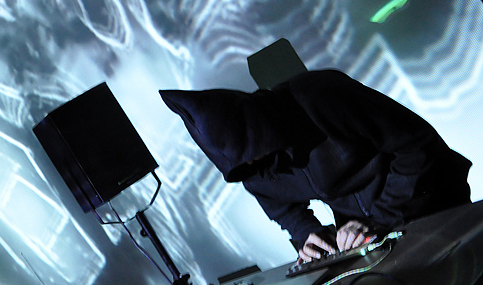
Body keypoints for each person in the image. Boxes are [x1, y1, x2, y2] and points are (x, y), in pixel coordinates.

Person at [160, 69, 472, 263]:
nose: (255, 163)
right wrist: (310, 237)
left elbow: (416, 145)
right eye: (245, 162)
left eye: (253, 151)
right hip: (377, 237)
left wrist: (380, 219)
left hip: (436, 204)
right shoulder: (251, 169)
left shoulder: (320, 94)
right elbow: (284, 212)